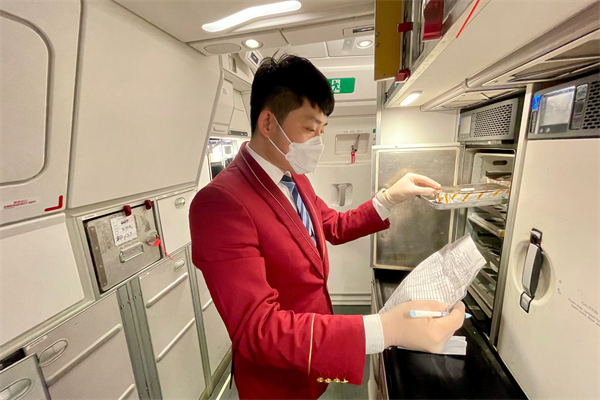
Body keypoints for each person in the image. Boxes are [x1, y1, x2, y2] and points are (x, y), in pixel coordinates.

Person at [189, 54, 465, 400]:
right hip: (276, 381)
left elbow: (331, 225)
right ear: (268, 123)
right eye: (309, 128)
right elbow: (258, 329)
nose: (317, 141)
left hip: (312, 361)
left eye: (322, 130)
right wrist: (384, 329)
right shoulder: (220, 204)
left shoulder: (293, 177)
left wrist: (388, 198)